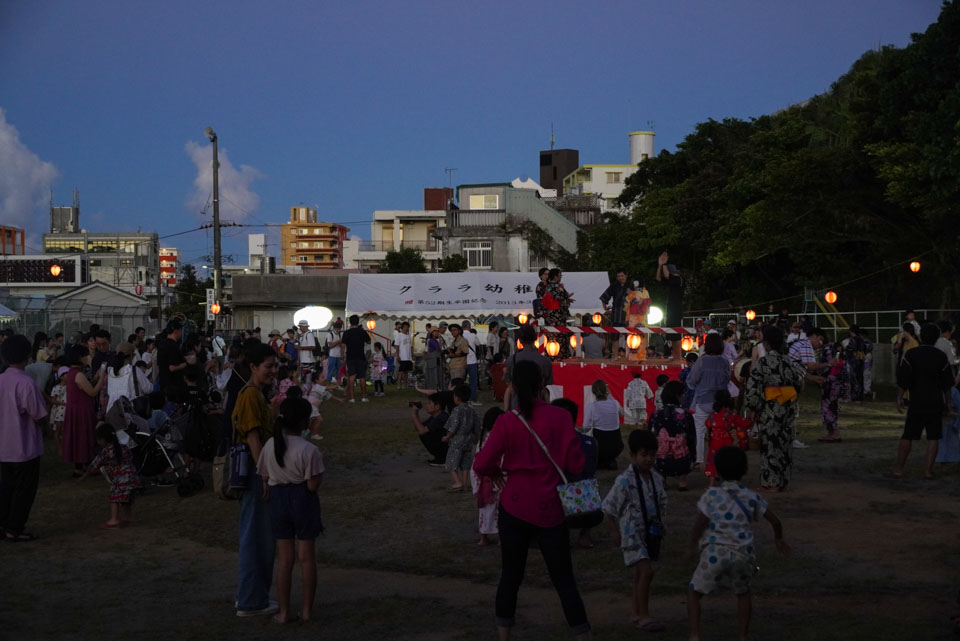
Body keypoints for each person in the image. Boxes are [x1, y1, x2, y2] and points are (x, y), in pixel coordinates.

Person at [472, 360, 590, 640]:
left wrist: (495, 473)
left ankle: (504, 634)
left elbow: (481, 462)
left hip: (515, 503)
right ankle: (582, 634)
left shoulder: (507, 421)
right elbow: (575, 465)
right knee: (563, 579)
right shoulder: (561, 418)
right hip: (551, 506)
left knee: (511, 576)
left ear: (512, 386)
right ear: (541, 385)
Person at [685, 446, 790, 641]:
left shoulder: (711, 495)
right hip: (743, 554)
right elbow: (775, 520)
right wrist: (778, 538)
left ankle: (694, 635)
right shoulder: (751, 496)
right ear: (745, 470)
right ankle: (743, 635)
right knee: (743, 593)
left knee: (694, 592)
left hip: (715, 553)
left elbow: (700, 523)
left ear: (717, 471)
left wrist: (691, 546)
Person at [257, 391, 324, 624]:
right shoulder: (309, 450)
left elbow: (264, 476)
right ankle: (306, 610)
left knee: (284, 560)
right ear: (304, 422)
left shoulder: (269, 445)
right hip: (302, 499)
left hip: (278, 499)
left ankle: (283, 612)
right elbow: (313, 485)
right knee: (306, 558)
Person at [602, 429, 669, 633]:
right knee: (647, 572)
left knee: (641, 574)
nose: (648, 459)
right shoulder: (624, 481)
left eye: (652, 455)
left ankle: (636, 612)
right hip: (632, 534)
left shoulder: (656, 478)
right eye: (644, 455)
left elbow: (661, 503)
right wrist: (615, 532)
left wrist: (660, 525)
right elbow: (608, 508)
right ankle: (644, 615)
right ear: (632, 455)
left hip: (649, 533)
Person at [232, 343, 280, 617]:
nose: (273, 371)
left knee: (259, 537)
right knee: (256, 539)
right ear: (252, 367)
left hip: (256, 470)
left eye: (275, 366)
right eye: (268, 366)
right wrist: (264, 473)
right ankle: (251, 601)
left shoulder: (257, 395)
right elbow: (252, 438)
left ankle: (252, 596)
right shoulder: (250, 395)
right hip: (254, 472)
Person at [0, 334, 49, 541]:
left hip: (3, 447)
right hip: (24, 447)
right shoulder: (26, 383)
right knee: (24, 491)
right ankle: (14, 528)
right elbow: (39, 415)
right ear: (28, 355)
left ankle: (4, 525)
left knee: (5, 489)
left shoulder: (1, 380)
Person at [743, 326, 804, 491]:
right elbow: (798, 384)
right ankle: (783, 479)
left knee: (770, 444)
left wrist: (752, 407)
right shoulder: (788, 361)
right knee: (784, 443)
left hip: (770, 408)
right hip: (788, 408)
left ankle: (771, 480)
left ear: (767, 344)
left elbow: (754, 386)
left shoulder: (764, 362)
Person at [894, 323, 954, 479]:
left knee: (908, 435)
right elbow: (947, 384)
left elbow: (903, 380)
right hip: (935, 401)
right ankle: (928, 471)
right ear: (936, 338)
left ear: (921, 336)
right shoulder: (941, 356)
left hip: (917, 401)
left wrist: (899, 397)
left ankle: (899, 469)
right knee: (933, 437)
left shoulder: (911, 354)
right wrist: (948, 402)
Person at [77, 422, 141, 528]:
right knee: (126, 499)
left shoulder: (105, 452)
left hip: (120, 480)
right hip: (132, 477)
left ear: (102, 440)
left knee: (114, 498)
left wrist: (83, 477)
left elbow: (94, 465)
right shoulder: (123, 447)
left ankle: (114, 519)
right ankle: (127, 517)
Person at [685, 334, 732, 467]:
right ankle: (720, 460)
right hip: (720, 401)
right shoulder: (725, 362)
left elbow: (692, 380)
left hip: (703, 400)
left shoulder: (702, 361)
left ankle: (699, 460)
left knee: (699, 431)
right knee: (720, 432)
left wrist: (697, 387)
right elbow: (727, 378)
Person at [62, 344, 107, 475]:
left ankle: (81, 466)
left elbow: (87, 385)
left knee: (78, 438)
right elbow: (92, 392)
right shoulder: (78, 374)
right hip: (81, 411)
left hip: (76, 410)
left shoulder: (72, 373)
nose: (88, 357)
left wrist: (97, 377)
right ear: (80, 357)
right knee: (82, 438)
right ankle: (83, 466)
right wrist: (102, 378)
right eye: (85, 355)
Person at [648, 380, 696, 490]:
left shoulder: (655, 414)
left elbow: (650, 435)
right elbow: (691, 438)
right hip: (683, 461)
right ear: (677, 396)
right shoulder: (686, 415)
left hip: (659, 461)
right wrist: (694, 456)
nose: (684, 397)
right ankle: (682, 481)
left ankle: (661, 477)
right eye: (682, 394)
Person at [472, 407, 505, 546]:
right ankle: (495, 537)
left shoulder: (484, 439)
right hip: (494, 477)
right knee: (496, 510)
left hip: (488, 478)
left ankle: (484, 537)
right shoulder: (496, 438)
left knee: (487, 510)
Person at [704, 390, 751, 484]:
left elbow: (707, 424)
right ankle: (729, 481)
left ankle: (711, 483)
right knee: (728, 460)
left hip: (715, 442)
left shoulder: (712, 415)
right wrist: (751, 420)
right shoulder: (731, 415)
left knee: (712, 460)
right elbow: (744, 423)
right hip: (726, 441)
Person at [502, 324, 553, 410]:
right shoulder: (545, 361)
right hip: (538, 405)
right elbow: (547, 383)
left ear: (520, 340)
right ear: (535, 338)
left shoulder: (512, 360)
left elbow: (509, 383)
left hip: (517, 405)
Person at [441, 384, 480, 491]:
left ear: (457, 397)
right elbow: (477, 426)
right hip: (468, 440)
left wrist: (447, 437)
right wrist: (476, 438)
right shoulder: (472, 410)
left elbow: (453, 427)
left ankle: (457, 482)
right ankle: (465, 484)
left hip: (457, 440)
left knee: (451, 462)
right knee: (465, 464)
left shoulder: (457, 410)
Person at [583, 379, 624, 469]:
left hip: (599, 445)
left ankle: (600, 461)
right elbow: (622, 413)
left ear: (593, 392)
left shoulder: (591, 406)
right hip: (617, 445)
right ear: (607, 391)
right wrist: (610, 396)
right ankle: (609, 460)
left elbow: (585, 427)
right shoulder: (615, 403)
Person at [411, 393, 450, 465]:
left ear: (437, 406)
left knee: (425, 434)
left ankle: (442, 459)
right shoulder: (436, 416)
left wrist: (414, 414)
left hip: (450, 447)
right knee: (425, 434)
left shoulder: (442, 417)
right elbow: (417, 428)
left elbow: (422, 431)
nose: (427, 406)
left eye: (429, 403)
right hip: (449, 447)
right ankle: (441, 457)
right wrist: (416, 413)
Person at [341, 315, 371, 403]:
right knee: (362, 377)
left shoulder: (346, 333)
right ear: (358, 322)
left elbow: (343, 346)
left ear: (350, 322)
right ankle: (364, 397)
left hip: (350, 357)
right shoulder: (362, 332)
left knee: (351, 377)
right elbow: (369, 341)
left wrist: (342, 356)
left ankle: (352, 398)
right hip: (361, 357)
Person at [936, 377, 960, 469]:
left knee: (952, 443)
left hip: (951, 420)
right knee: (942, 443)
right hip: (941, 421)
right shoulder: (936, 390)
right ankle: (943, 464)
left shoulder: (953, 391)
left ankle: (949, 463)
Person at [156, 319, 186, 394]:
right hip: (173, 385)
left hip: (163, 383)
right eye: (180, 330)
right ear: (176, 331)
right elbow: (172, 367)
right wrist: (187, 363)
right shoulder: (173, 346)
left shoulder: (162, 344)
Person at [50, 366, 69, 456]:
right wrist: (64, 404)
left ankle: (65, 447)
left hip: (67, 412)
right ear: (61, 376)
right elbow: (52, 400)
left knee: (65, 430)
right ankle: (60, 448)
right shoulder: (56, 387)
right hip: (59, 412)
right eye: (66, 374)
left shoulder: (70, 387)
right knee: (58, 430)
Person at [461, 320, 480, 404]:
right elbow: (478, 344)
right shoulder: (473, 335)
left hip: (462, 361)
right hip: (472, 361)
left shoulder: (460, 336)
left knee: (461, 381)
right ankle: (473, 399)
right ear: (469, 326)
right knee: (473, 381)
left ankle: (461, 398)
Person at [393, 322, 413, 389]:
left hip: (408, 357)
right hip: (402, 356)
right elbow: (397, 346)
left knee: (406, 371)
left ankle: (405, 384)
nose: (407, 328)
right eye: (406, 327)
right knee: (401, 371)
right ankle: (398, 384)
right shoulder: (399, 335)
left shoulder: (409, 335)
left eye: (408, 327)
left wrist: (411, 355)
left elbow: (410, 346)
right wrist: (398, 355)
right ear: (403, 327)